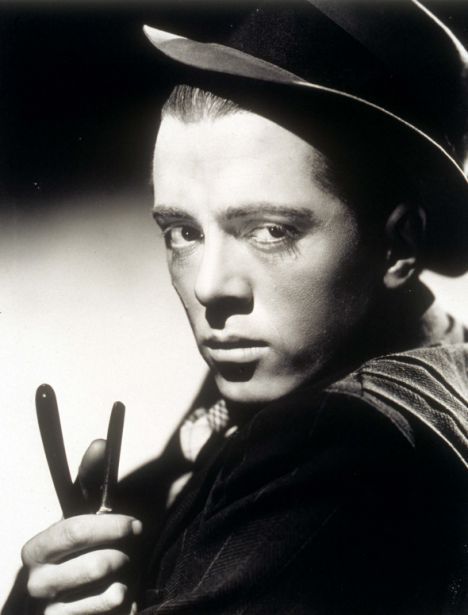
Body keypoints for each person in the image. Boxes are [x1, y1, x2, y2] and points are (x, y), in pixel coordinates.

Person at [3, 1, 467, 613]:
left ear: (398, 246)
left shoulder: (337, 443)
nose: (210, 286)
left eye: (271, 231)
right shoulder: (319, 352)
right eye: (182, 233)